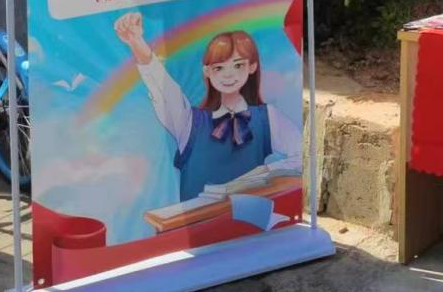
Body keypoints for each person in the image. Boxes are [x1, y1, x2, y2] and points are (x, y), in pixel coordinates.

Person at [114, 12, 302, 200]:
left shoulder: (267, 118)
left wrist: (266, 172)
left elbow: (301, 156)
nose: (228, 74)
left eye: (238, 65)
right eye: (219, 68)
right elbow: (163, 89)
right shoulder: (190, 123)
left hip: (252, 216)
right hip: (197, 218)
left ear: (252, 66)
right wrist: (137, 42)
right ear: (207, 71)